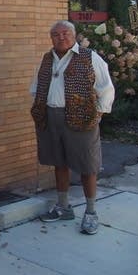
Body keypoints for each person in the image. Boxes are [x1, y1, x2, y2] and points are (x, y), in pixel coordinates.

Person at [30, 20, 114, 235]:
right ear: (51, 38)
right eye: (56, 34)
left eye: (65, 33)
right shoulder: (47, 59)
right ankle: (63, 207)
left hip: (82, 118)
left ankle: (91, 212)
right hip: (51, 117)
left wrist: (97, 115)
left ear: (74, 35)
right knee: (59, 163)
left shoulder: (88, 57)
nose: (61, 37)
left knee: (88, 165)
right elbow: (36, 86)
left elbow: (106, 89)